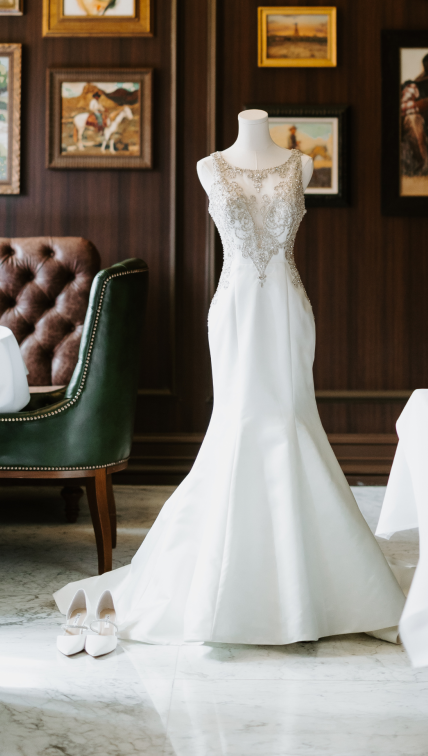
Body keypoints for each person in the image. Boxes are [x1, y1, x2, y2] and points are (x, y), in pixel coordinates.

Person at [52, 110, 405, 651]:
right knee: (238, 423)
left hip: (287, 312)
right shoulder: (209, 167)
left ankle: (307, 576)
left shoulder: (299, 164)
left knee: (289, 421)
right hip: (235, 311)